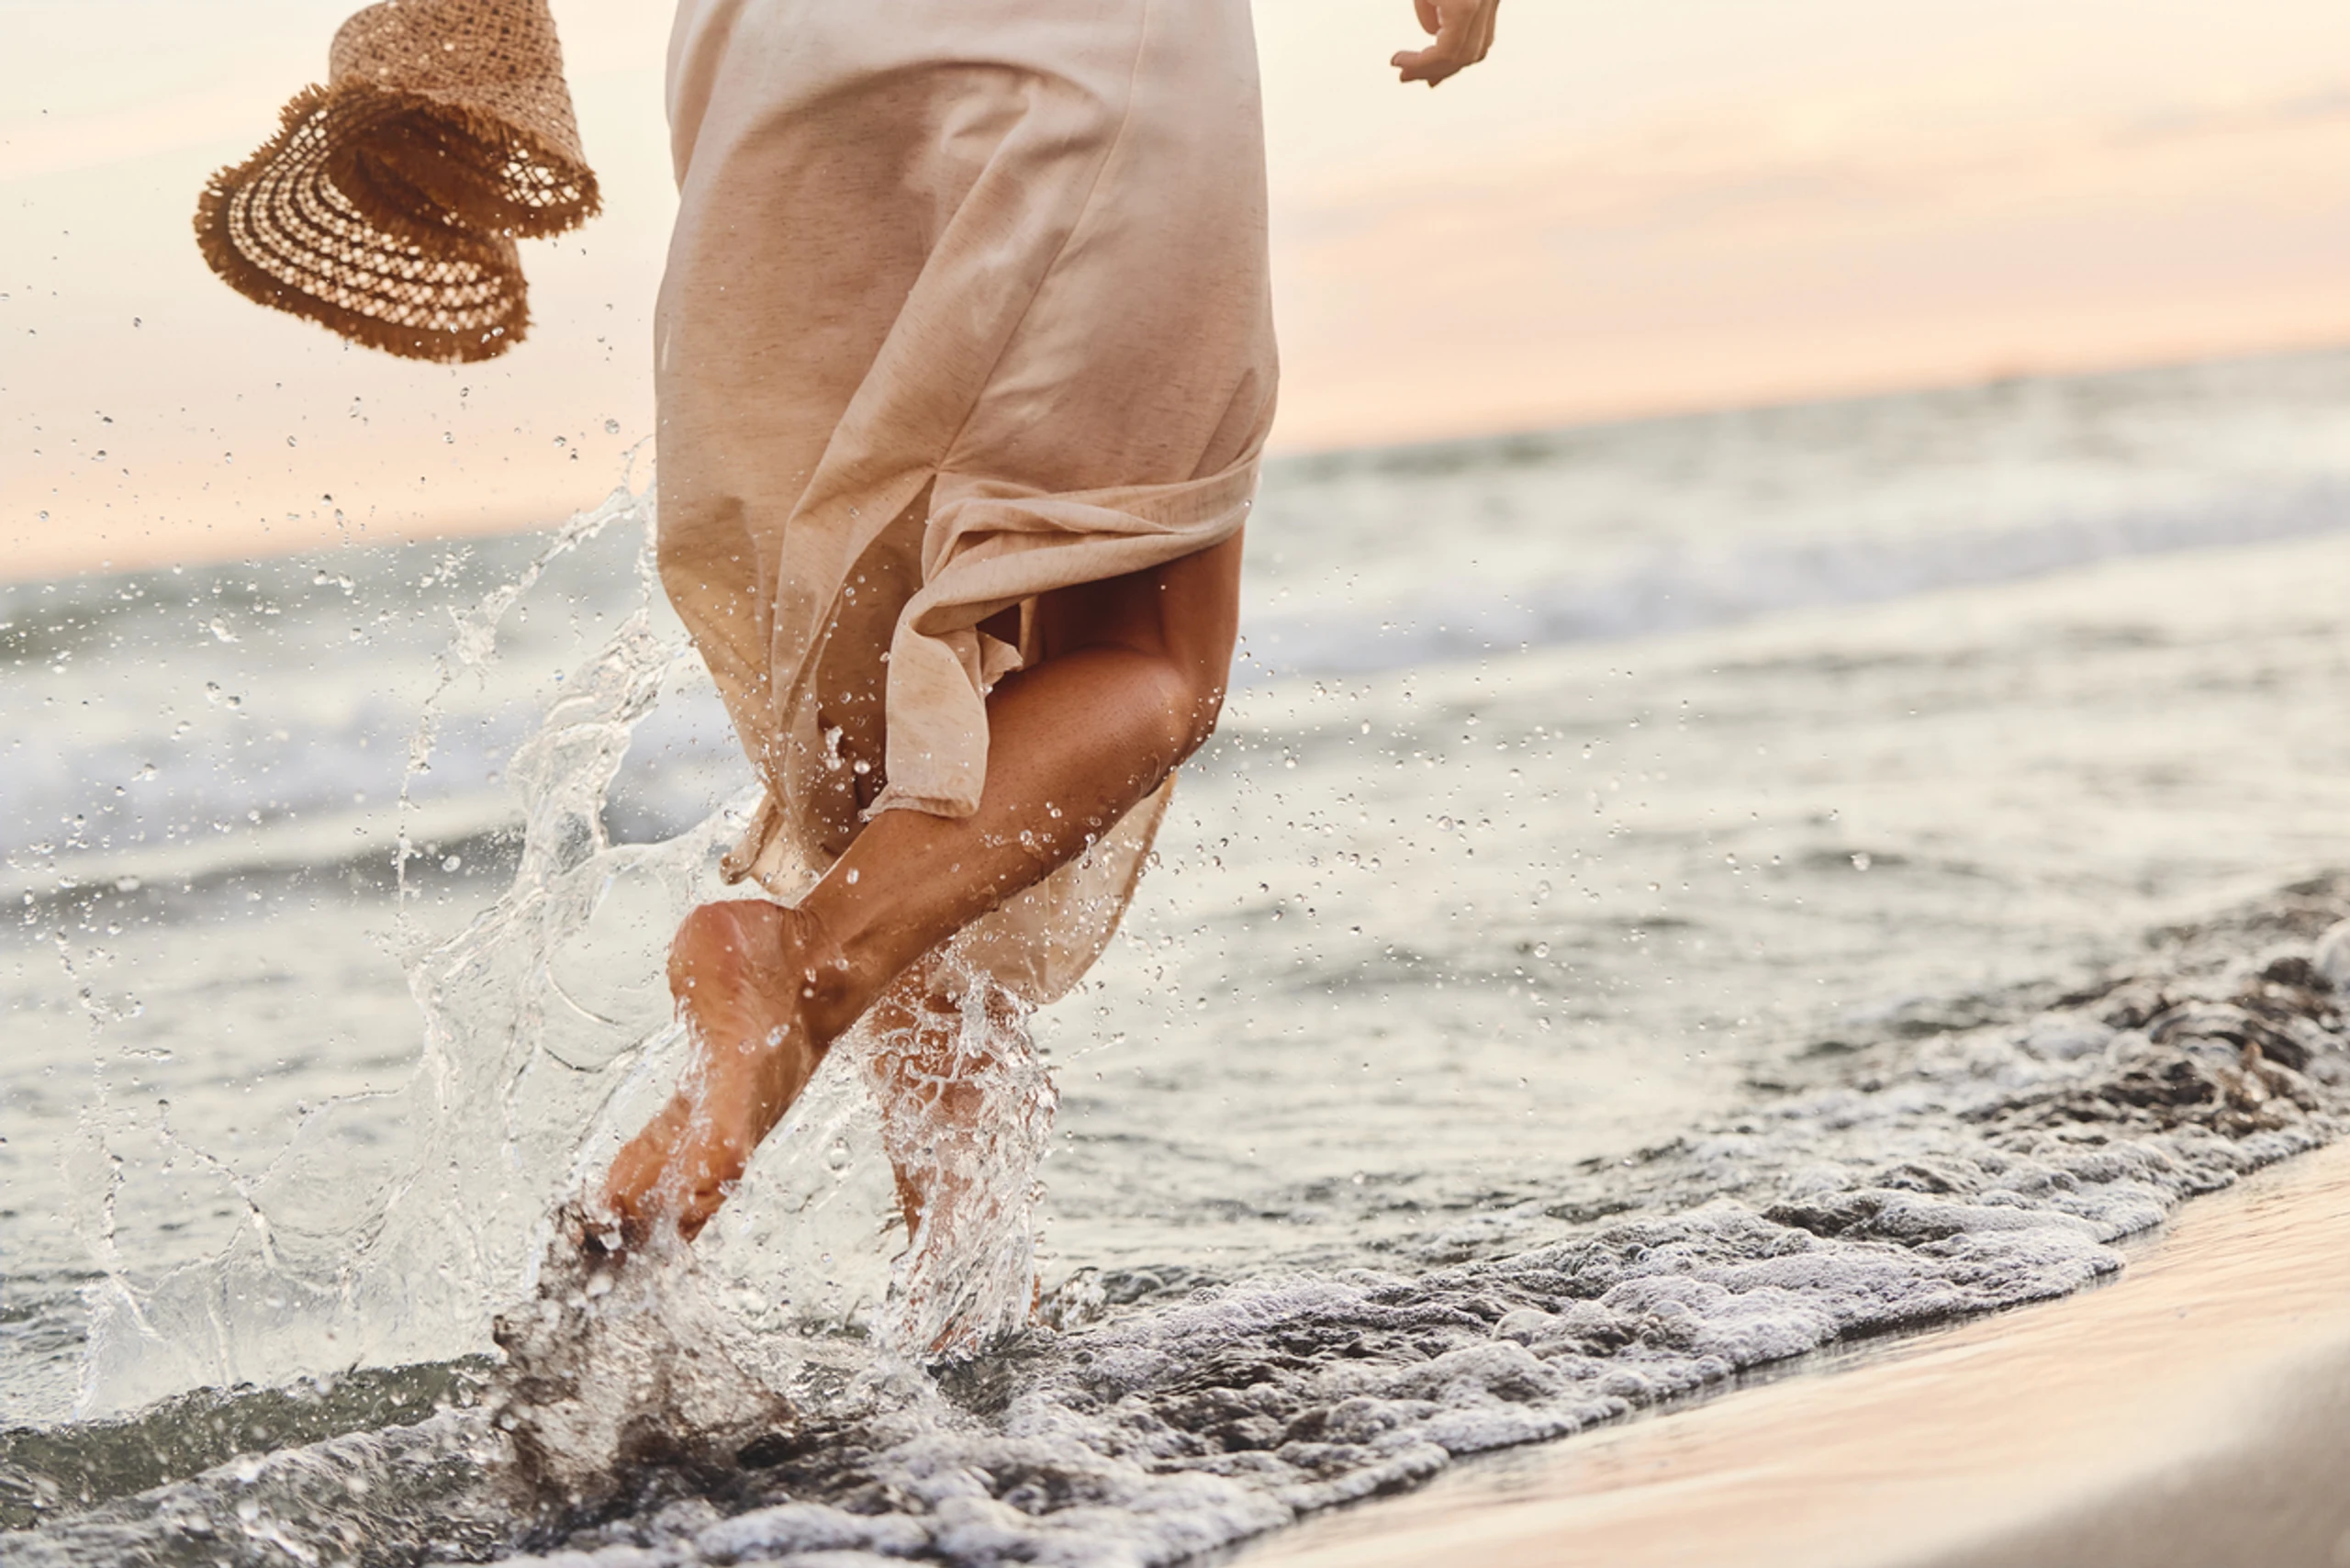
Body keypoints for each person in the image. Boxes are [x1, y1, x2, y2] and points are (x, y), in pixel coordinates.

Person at [597, 0, 1501, 1260]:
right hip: (1071, 44)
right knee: (1145, 653)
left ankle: (947, 1296)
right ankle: (797, 969)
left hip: (769, 64)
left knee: (900, 765)